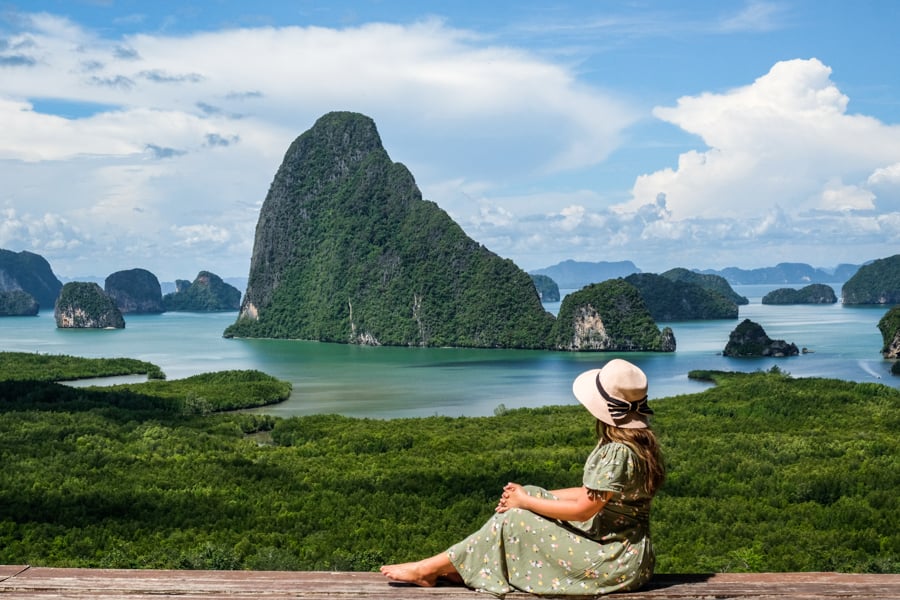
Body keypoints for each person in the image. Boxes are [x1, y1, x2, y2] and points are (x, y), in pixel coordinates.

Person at [380, 358, 665, 596]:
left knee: (517, 517)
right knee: (530, 493)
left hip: (615, 561)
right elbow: (589, 493)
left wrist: (525, 503)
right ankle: (456, 565)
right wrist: (532, 494)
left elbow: (583, 510)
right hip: (627, 553)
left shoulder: (617, 451)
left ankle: (431, 568)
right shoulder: (638, 444)